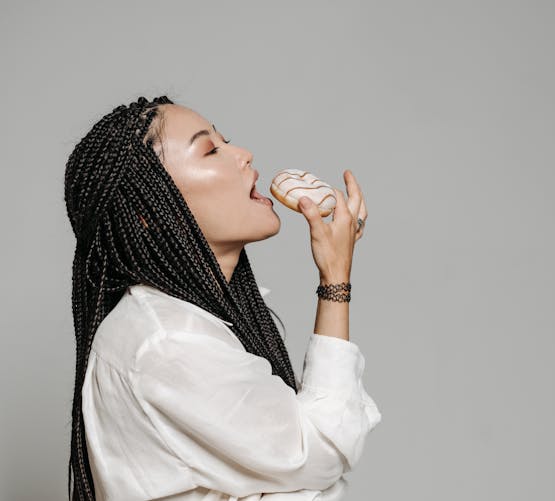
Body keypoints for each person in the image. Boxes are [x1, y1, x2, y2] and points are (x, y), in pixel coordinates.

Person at [63, 96, 381, 500]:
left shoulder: (190, 324)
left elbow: (308, 457)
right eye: (210, 150)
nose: (244, 154)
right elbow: (321, 450)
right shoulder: (169, 342)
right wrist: (336, 278)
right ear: (151, 213)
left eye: (226, 141)